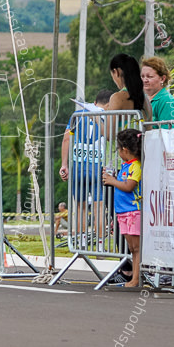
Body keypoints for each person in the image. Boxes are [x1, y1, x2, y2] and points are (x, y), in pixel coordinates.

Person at [59, 89, 112, 248]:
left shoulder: (78, 114)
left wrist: (64, 164)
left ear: (94, 102)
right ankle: (101, 248)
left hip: (78, 167)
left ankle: (81, 245)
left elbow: (66, 139)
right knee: (99, 208)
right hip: (98, 166)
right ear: (108, 105)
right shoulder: (107, 116)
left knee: (81, 208)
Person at [102, 128, 143, 288]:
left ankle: (136, 279)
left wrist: (112, 181)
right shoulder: (127, 165)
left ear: (124, 149)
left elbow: (129, 186)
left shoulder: (136, 166)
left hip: (133, 211)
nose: (118, 152)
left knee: (137, 247)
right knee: (132, 248)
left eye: (118, 149)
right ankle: (134, 276)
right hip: (123, 212)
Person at [107, 53, 151, 120]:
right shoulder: (146, 100)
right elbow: (149, 129)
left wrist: (96, 118)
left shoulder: (117, 98)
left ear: (116, 72)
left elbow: (108, 130)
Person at [141, 56, 174, 125]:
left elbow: (169, 133)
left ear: (162, 79)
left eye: (150, 77)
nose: (145, 80)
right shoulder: (142, 99)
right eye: (142, 76)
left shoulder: (167, 101)